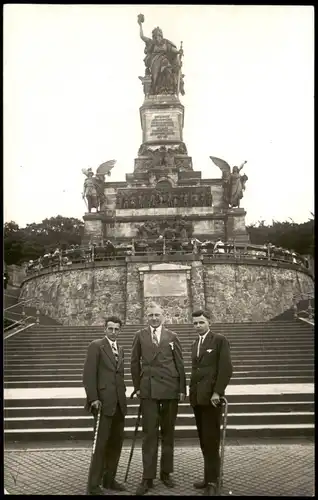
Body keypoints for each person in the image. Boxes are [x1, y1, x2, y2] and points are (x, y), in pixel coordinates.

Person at [131, 302, 186, 495]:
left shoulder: (173, 336)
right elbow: (134, 362)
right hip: (149, 390)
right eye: (151, 315)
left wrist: (182, 389)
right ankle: (148, 477)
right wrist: (137, 387)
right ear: (147, 317)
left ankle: (166, 472)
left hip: (170, 389)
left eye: (157, 315)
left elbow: (179, 363)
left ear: (163, 316)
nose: (154, 318)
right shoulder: (140, 335)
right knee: (149, 435)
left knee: (168, 433)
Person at [189, 310, 233, 496]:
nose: (198, 326)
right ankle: (208, 477)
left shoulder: (219, 340)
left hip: (211, 399)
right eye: (195, 323)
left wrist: (217, 392)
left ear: (209, 322)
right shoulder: (195, 343)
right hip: (198, 399)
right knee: (204, 440)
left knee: (211, 440)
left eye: (201, 322)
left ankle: (213, 482)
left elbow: (226, 368)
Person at [83, 316, 127, 495]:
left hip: (118, 403)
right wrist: (93, 398)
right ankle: (93, 485)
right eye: (110, 329)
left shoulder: (121, 349)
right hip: (102, 403)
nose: (113, 332)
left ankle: (109, 480)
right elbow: (88, 374)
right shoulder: (96, 346)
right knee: (100, 445)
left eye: (117, 329)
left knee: (116, 443)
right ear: (105, 329)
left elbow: (119, 376)